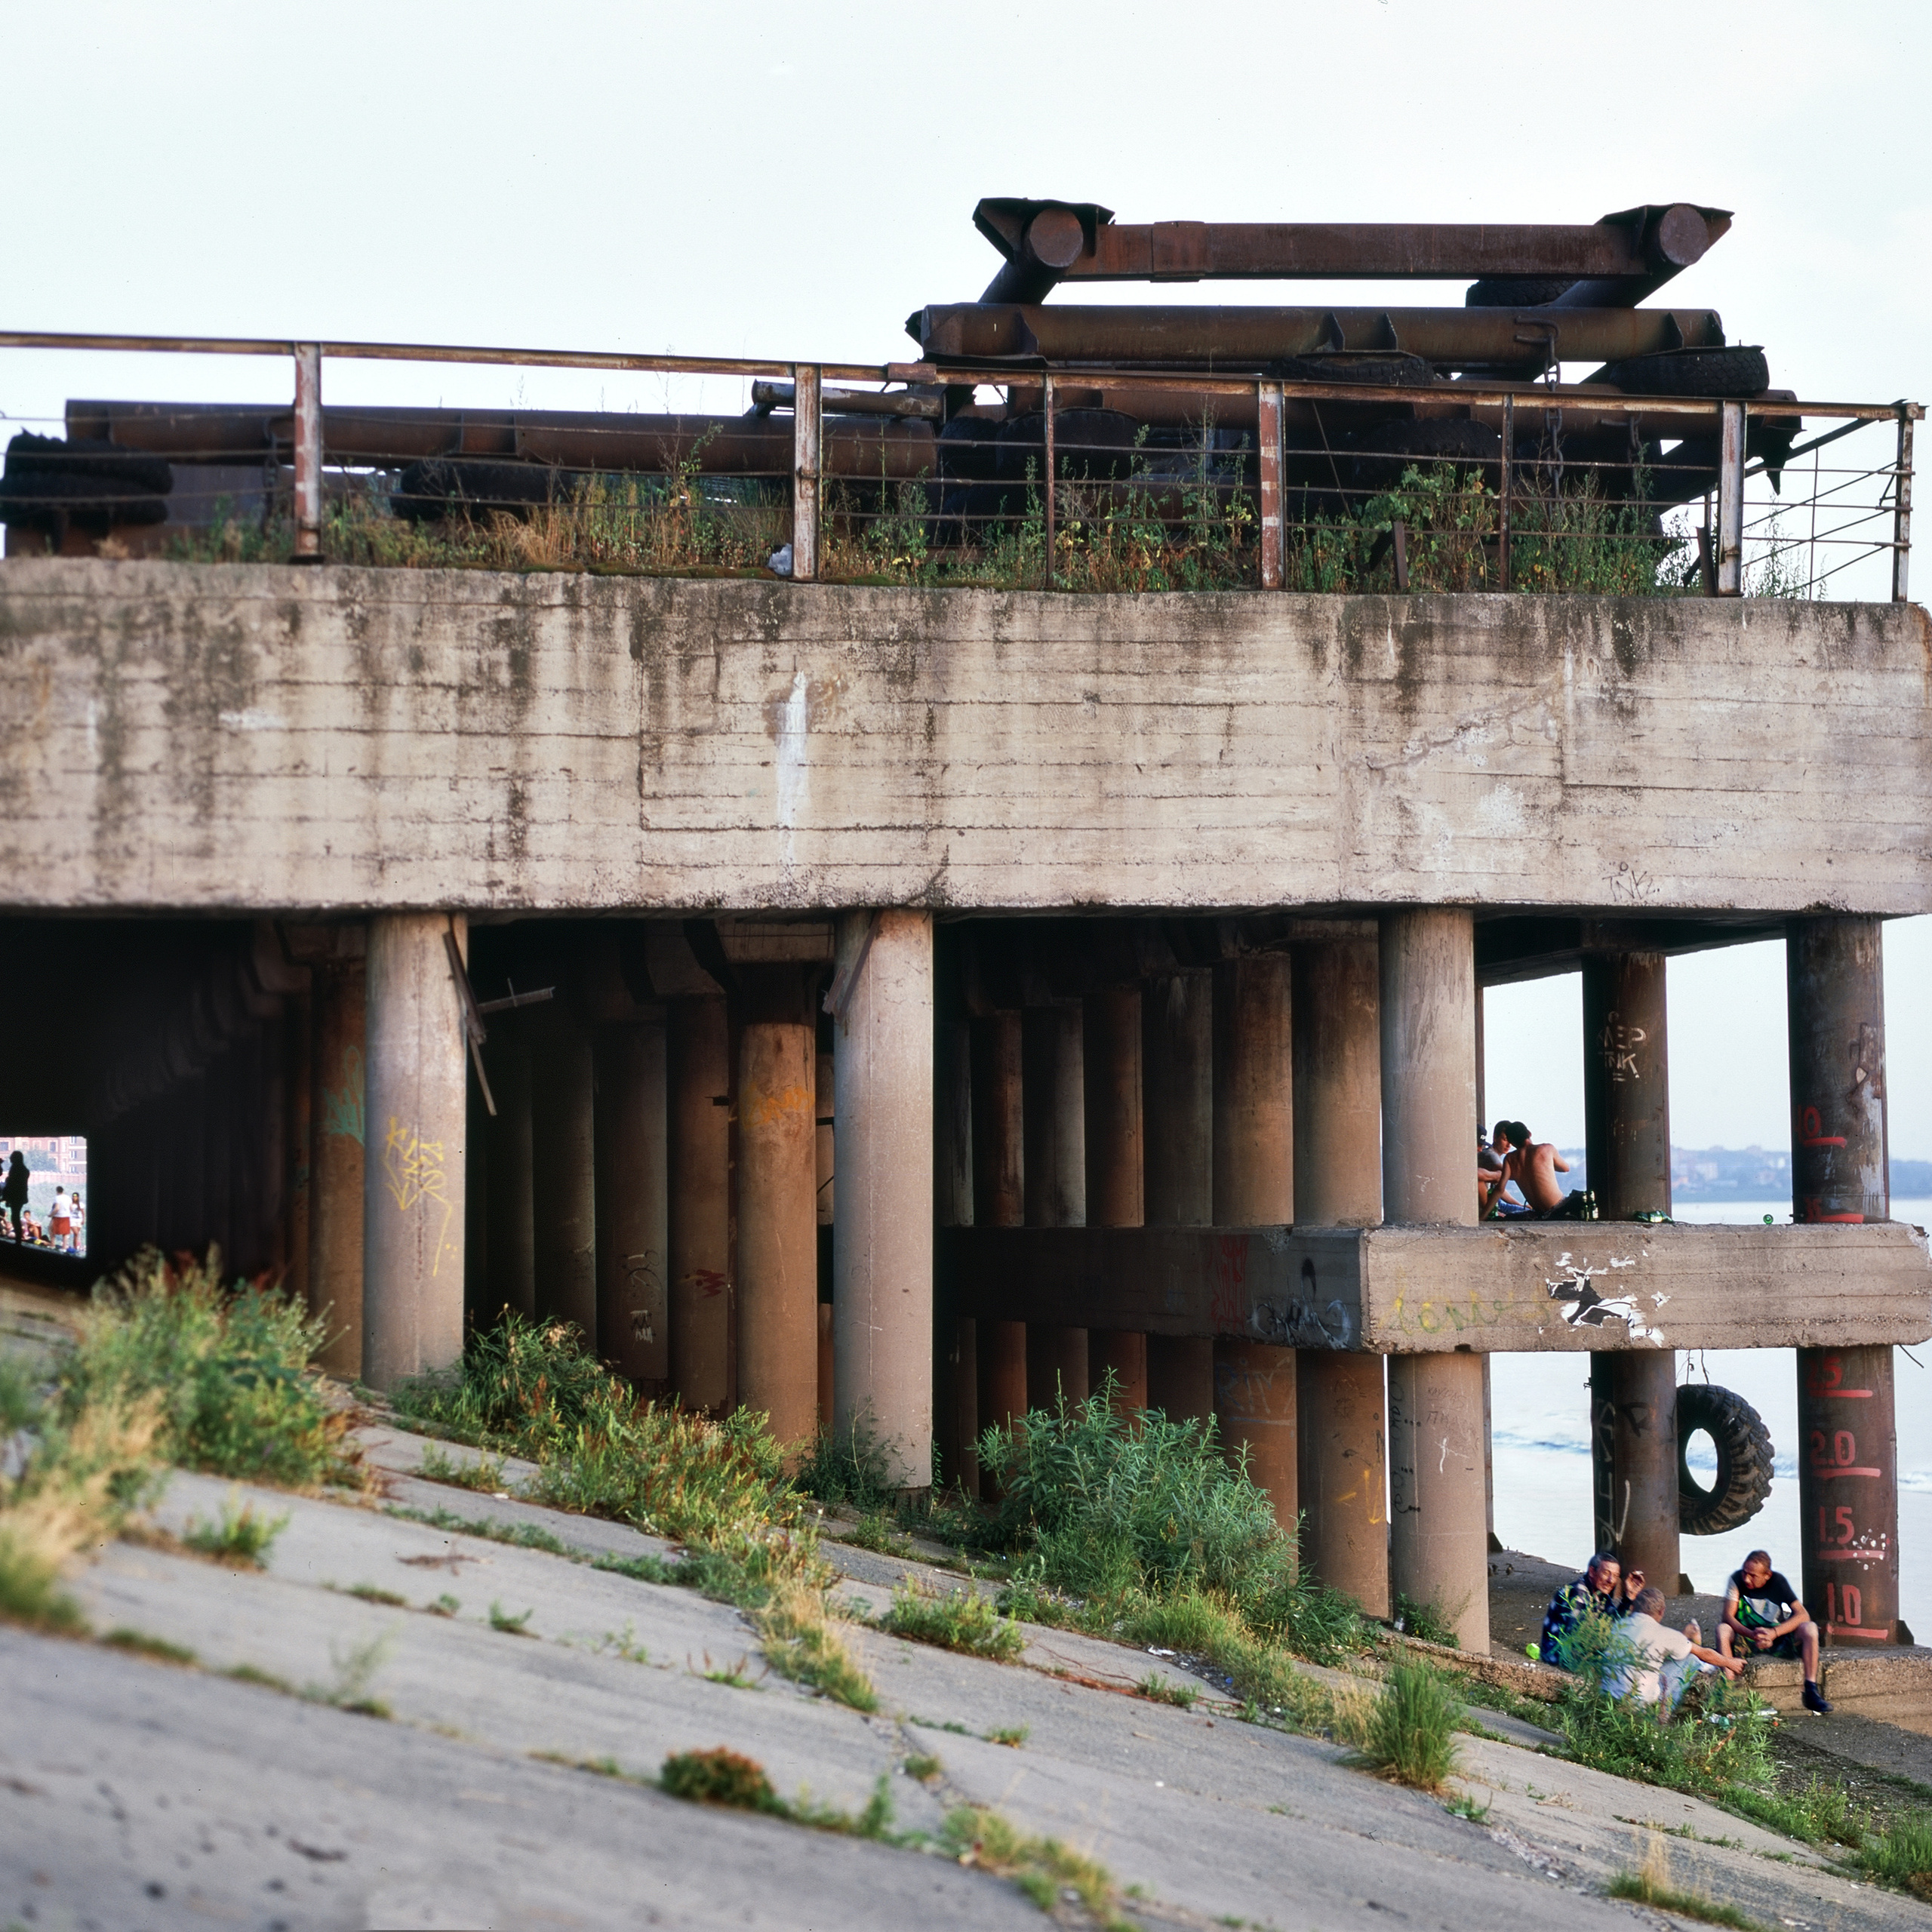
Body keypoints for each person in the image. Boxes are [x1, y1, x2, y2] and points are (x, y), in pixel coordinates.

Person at [1718, 1549, 1831, 1713]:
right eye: (1745, 1572)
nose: (1746, 1579)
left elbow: (1803, 1614)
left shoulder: (1778, 1582)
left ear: (1767, 1575)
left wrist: (1774, 1633)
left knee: (1811, 1628)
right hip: (1746, 1637)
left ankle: (1811, 1690)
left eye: (1753, 1575)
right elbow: (1728, 1616)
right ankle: (1728, 1688)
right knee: (1722, 1629)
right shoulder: (1736, 1580)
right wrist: (1751, 1634)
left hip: (1777, 1637)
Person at [1609, 1585, 1743, 1711]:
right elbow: (1703, 1653)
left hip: (1610, 1697)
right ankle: (1662, 1717)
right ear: (1662, 1611)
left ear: (1633, 1608)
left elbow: (1658, 1647)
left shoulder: (1617, 1626)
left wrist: (1683, 1635)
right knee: (1692, 1659)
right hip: (1638, 1701)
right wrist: (1730, 1662)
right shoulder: (1660, 1632)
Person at [1538, 1549, 1641, 1665]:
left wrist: (1629, 1597)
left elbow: (1614, 1623)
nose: (1611, 1580)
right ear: (1592, 1572)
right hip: (1559, 1656)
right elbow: (1579, 1635)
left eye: (1616, 1576)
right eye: (1606, 1573)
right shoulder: (1577, 1593)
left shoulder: (1601, 1595)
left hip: (1578, 1653)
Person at [2, 1150, 26, 1242]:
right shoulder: (22, 1169)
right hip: (20, 1196)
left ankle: (18, 1240)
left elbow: (12, 1183)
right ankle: (18, 1239)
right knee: (15, 1216)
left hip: (16, 1196)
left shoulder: (15, 1169)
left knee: (15, 1217)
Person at [49, 1186, 70, 1251]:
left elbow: (57, 1208)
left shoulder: (57, 1198)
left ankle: (52, 1245)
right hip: (67, 1216)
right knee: (65, 1233)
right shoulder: (68, 1197)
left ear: (57, 1191)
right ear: (63, 1191)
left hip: (58, 1216)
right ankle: (64, 1248)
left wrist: (51, 1214)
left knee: (51, 1229)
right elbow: (71, 1208)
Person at [66, 1190, 83, 1255]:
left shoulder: (81, 1204)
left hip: (79, 1220)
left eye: (75, 1197)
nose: (74, 1198)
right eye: (73, 1197)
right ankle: (73, 1247)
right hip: (72, 1220)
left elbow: (83, 1213)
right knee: (76, 1233)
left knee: (76, 1235)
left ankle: (75, 1248)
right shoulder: (71, 1204)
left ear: (78, 1197)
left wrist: (83, 1220)